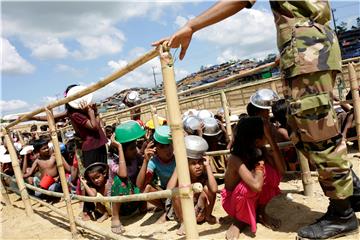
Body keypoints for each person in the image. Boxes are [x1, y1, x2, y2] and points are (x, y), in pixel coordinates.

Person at [152, 1, 359, 238]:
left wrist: (191, 25)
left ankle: (342, 212)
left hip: (306, 49)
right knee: (311, 130)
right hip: (312, 45)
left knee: (316, 133)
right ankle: (351, 193)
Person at [221, 116, 285, 239]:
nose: (268, 135)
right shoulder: (235, 159)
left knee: (272, 173)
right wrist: (260, 163)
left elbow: (281, 170)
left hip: (251, 197)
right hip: (233, 202)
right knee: (248, 186)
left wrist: (271, 140)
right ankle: (239, 222)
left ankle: (260, 213)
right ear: (256, 141)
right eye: (266, 135)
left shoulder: (258, 149)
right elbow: (256, 186)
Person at [168, 135, 218, 235]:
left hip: (199, 211)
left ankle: (208, 216)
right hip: (184, 213)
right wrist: (179, 165)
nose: (198, 166)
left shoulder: (204, 172)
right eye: (193, 163)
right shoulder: (182, 173)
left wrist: (207, 166)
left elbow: (214, 189)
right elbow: (169, 191)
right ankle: (184, 223)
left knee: (208, 188)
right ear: (186, 164)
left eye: (200, 162)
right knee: (176, 192)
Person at [111, 120, 145, 234]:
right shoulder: (113, 162)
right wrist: (119, 147)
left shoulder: (135, 157)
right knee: (121, 180)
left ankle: (143, 207)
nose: (135, 150)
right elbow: (123, 174)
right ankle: (114, 217)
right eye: (131, 148)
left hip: (133, 198)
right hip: (119, 204)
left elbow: (145, 158)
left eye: (135, 146)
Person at [136, 125, 176, 220]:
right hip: (166, 193)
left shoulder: (178, 155)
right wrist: (145, 161)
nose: (168, 150)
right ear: (155, 148)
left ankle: (170, 209)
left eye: (169, 145)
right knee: (146, 189)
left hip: (181, 191)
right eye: (162, 147)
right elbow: (139, 187)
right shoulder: (154, 161)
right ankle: (166, 208)